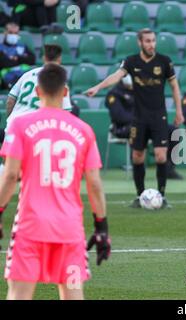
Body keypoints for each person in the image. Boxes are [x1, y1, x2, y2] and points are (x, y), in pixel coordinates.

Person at [0, 63, 110, 300]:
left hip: (30, 229)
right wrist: (101, 226)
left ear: (38, 91)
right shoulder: (83, 130)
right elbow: (94, 183)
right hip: (69, 231)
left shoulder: (20, 126)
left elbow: (9, 176)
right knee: (72, 294)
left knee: (19, 294)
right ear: (66, 92)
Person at [85, 28, 184, 209]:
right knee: (137, 157)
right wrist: (98, 87)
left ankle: (161, 197)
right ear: (140, 42)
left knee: (161, 156)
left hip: (158, 116)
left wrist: (179, 111)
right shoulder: (132, 61)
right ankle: (140, 196)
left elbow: (175, 87)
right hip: (138, 118)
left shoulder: (164, 61)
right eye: (147, 41)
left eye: (153, 40)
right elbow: (116, 76)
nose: (151, 44)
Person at [5, 44, 72, 132]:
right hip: (35, 129)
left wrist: (11, 118)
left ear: (44, 58)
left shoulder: (27, 74)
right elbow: (65, 112)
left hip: (14, 125)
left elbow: (10, 101)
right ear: (59, 59)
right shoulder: (59, 81)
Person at [0, 21, 36, 90]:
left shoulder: (22, 46)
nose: (13, 35)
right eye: (10, 32)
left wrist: (16, 58)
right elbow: (4, 63)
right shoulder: (1, 48)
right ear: (5, 33)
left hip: (23, 75)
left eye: (15, 33)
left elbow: (32, 59)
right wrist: (22, 59)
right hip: (7, 78)